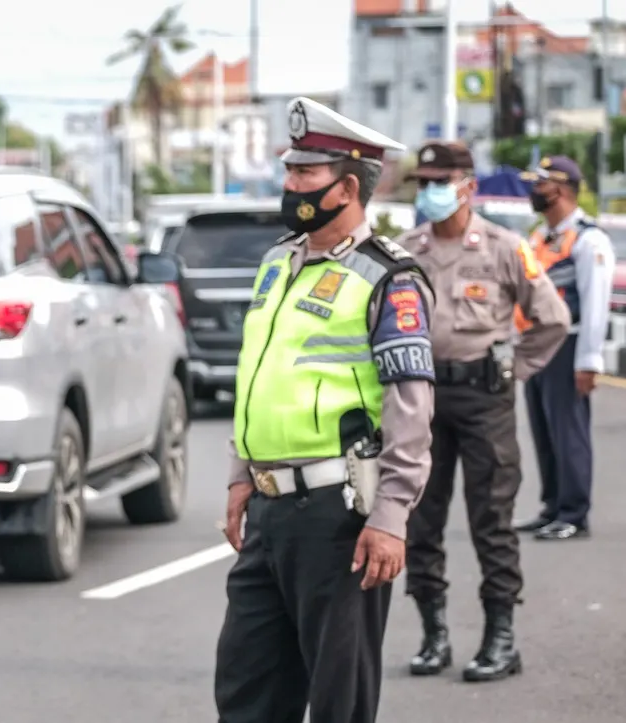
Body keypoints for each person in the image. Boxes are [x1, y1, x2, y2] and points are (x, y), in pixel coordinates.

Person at [214, 97, 436, 723]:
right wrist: (240, 475)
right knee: (246, 692)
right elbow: (259, 376)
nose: (290, 185)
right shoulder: (277, 262)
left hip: (338, 519)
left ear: (347, 186)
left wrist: (391, 516)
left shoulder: (389, 278)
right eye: (290, 171)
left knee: (339, 700)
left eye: (304, 175)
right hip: (269, 510)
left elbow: (410, 407)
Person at [396, 142, 570, 683]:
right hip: (421, 398)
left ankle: (501, 637)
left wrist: (514, 368)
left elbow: (553, 318)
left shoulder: (503, 247)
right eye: (423, 183)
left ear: (467, 185)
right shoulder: (404, 251)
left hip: (483, 397)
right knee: (419, 517)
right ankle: (434, 634)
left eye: (439, 181)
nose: (430, 192)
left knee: (490, 520)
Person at [513, 156, 615, 540]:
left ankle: (574, 513)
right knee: (543, 430)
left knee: (568, 430)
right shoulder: (541, 237)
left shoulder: (589, 239)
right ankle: (552, 505)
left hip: (569, 345)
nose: (533, 192)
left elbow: (593, 304)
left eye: (540, 185)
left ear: (560, 189)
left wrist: (588, 361)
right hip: (538, 345)